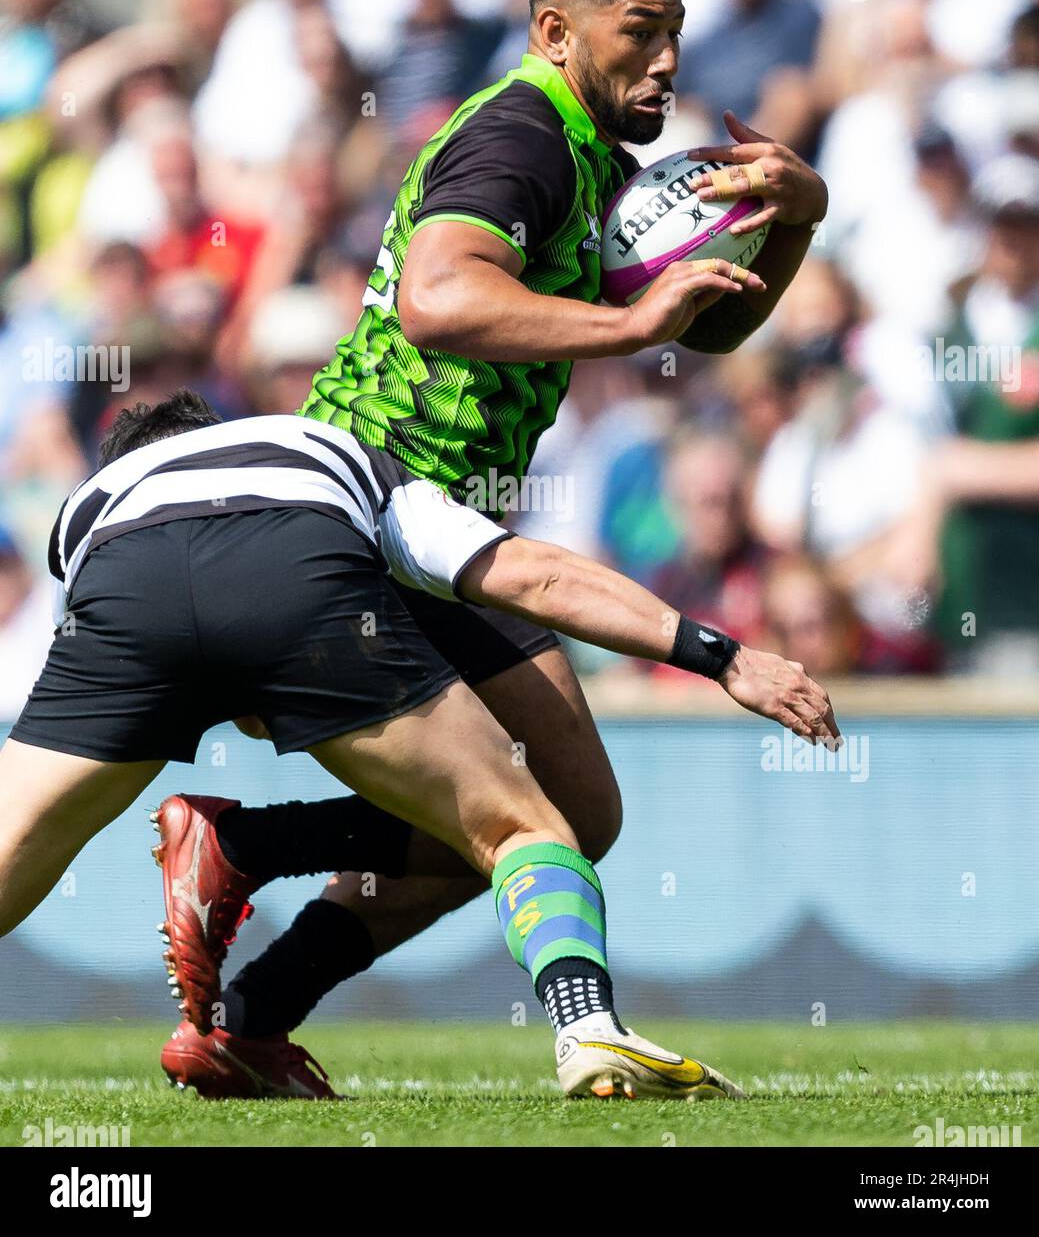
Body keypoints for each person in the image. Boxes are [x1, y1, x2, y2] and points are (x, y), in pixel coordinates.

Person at [292, 0, 831, 1031]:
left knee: (573, 806)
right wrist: (629, 323)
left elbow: (713, 331)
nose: (668, 61)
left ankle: (248, 981)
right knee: (535, 808)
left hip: (441, 513)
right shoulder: (525, 137)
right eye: (640, 31)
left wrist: (796, 219)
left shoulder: (591, 157)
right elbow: (439, 300)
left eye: (676, 33)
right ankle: (246, 889)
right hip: (379, 492)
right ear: (555, 29)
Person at [0, 390, 839, 1101]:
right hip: (297, 556)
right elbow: (531, 577)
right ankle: (588, 1030)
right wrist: (720, 656)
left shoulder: (86, 507)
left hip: (119, 576)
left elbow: (192, 649)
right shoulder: (319, 446)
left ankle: (244, 910)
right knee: (524, 825)